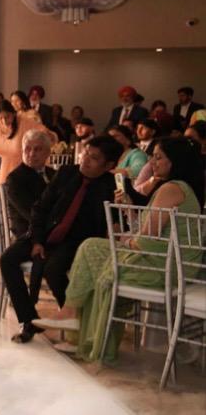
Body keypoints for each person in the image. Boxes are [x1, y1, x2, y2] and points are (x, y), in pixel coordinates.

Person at [34, 137, 205, 361]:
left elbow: (147, 239)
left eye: (158, 157)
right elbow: (149, 232)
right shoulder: (179, 188)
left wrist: (126, 241)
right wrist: (129, 211)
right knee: (92, 252)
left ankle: (81, 329)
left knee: (92, 252)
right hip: (167, 262)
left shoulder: (171, 189)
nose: (152, 162)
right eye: (152, 157)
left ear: (176, 161)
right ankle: (79, 327)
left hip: (162, 265)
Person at [0, 135, 122, 344]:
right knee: (7, 260)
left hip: (76, 242)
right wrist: (37, 241)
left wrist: (126, 200)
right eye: (85, 154)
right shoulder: (66, 173)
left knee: (53, 269)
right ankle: (29, 320)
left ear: (108, 165)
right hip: (45, 234)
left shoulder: (110, 185)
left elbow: (128, 210)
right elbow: (40, 208)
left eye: (93, 158)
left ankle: (75, 319)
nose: (85, 160)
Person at [0, 100, 49, 184]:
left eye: (7, 117)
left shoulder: (24, 122)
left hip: (26, 171)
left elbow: (43, 132)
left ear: (13, 113)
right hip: (5, 172)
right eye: (0, 118)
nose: (4, 121)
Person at [4, 129, 56, 239]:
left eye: (37, 149)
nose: (32, 154)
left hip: (51, 227)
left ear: (48, 152)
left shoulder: (54, 174)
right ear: (22, 151)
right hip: (29, 234)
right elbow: (32, 214)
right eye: (27, 149)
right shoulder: (15, 179)